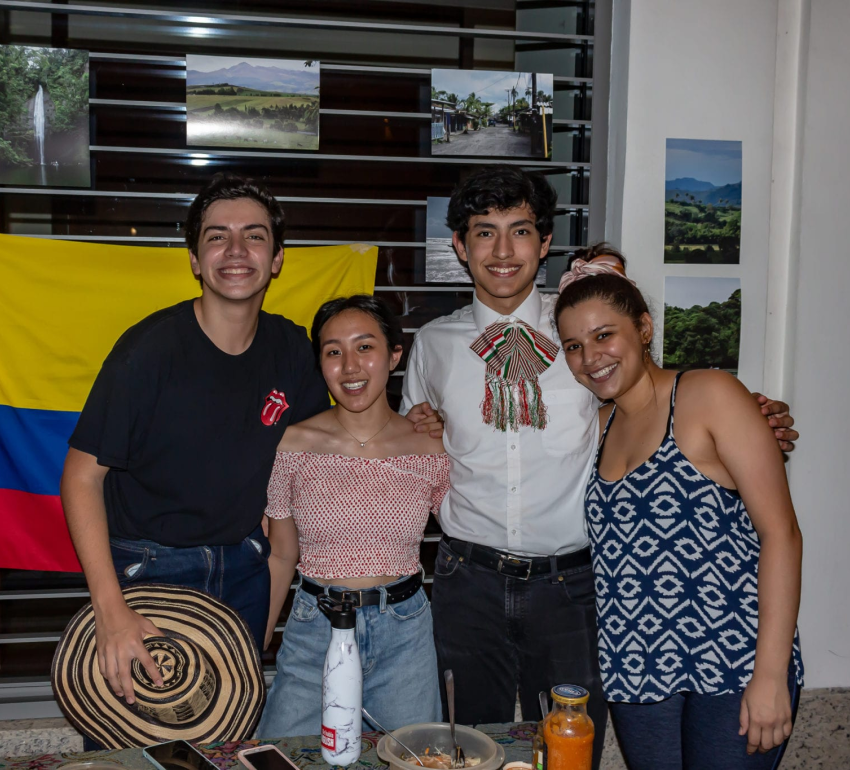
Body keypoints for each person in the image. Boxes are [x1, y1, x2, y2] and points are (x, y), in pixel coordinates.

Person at [401, 165, 799, 769]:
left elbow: (659, 396)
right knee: (466, 750)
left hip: (573, 588)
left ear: (544, 243)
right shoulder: (432, 345)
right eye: (484, 233)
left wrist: (758, 418)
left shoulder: (581, 330)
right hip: (468, 581)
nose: (503, 251)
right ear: (460, 245)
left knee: (568, 754)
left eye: (520, 231)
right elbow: (414, 453)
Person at [60, 174, 330, 717]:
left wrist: (420, 422)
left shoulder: (292, 348)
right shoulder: (149, 351)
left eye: (254, 236)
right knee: (137, 743)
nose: (235, 251)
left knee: (229, 745)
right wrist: (110, 612)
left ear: (276, 258)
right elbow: (80, 477)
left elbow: (308, 466)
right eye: (216, 236)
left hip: (246, 572)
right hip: (144, 571)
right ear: (193, 257)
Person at [554, 257, 803, 769]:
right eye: (574, 346)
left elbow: (782, 536)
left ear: (644, 328)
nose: (590, 358)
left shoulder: (708, 395)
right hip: (636, 670)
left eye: (604, 336)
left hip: (734, 664)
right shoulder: (595, 428)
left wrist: (771, 674)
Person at [257, 295, 448, 738]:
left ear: (394, 355)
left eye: (365, 347)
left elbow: (468, 527)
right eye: (333, 351)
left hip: (405, 633)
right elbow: (281, 554)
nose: (350, 366)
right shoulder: (294, 443)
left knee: (418, 761)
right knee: (282, 756)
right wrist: (259, 639)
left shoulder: (430, 446)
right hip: (314, 628)